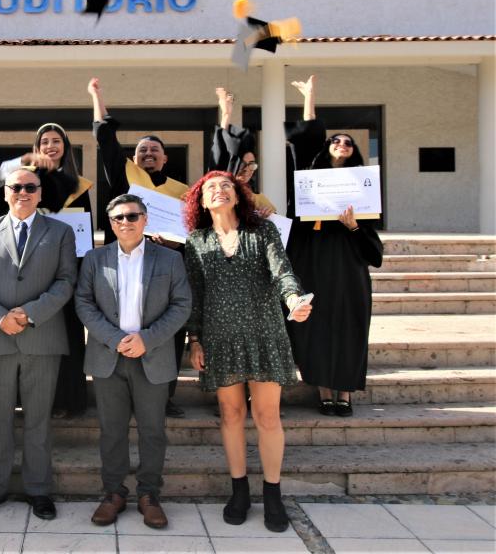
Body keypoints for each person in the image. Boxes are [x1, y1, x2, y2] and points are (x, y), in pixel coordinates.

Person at [183, 171, 312, 533]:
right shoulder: (196, 242)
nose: (219, 191)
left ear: (238, 196)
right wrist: (194, 340)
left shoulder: (263, 232)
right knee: (231, 413)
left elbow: (282, 272)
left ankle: (273, 493)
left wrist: (293, 300)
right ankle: (239, 490)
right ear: (202, 202)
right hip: (219, 339)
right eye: (211, 188)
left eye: (226, 186)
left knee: (268, 417)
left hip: (264, 335)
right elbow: (196, 295)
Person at [0, 167, 77, 521]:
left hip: (41, 338)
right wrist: (0, 317)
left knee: (38, 421)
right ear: (5, 193)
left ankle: (38, 490)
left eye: (31, 187)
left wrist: (28, 314)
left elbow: (65, 281)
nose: (23, 193)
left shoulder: (61, 232)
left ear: (41, 193)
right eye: (16, 187)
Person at [74, 194, 192, 529]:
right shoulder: (95, 259)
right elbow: (83, 302)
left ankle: (149, 495)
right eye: (118, 218)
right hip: (108, 357)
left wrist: (147, 338)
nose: (125, 222)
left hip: (151, 356)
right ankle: (113, 493)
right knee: (112, 431)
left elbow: (181, 305)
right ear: (110, 224)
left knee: (153, 431)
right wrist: (114, 339)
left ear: (145, 219)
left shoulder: (169, 260)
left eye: (132, 216)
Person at [88, 77, 190, 419]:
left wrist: (176, 243)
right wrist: (97, 98)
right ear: (135, 158)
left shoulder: (181, 192)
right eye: (142, 150)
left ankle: (166, 394)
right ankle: (125, 392)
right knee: (126, 323)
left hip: (167, 265)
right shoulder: (127, 180)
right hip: (125, 264)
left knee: (167, 331)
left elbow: (194, 232)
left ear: (164, 159)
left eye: (154, 151)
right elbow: (106, 143)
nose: (148, 154)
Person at [284, 75, 383, 417]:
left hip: (348, 269)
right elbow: (306, 145)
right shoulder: (310, 182)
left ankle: (346, 394)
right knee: (315, 325)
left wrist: (354, 227)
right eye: (335, 140)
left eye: (348, 142)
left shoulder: (363, 195)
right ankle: (325, 390)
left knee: (349, 329)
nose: (341, 143)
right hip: (312, 262)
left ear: (355, 153)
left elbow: (374, 251)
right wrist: (310, 99)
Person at [0, 122, 92, 418]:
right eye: (44, 141)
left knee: (63, 332)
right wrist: (24, 163)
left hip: (62, 269)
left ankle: (65, 398)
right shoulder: (25, 182)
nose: (50, 146)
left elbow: (84, 229)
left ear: (65, 147)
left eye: (56, 141)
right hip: (26, 268)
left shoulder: (78, 185)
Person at [210, 87, 276, 216]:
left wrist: (265, 216)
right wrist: (226, 115)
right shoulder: (215, 194)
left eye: (252, 164)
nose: (247, 170)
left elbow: (278, 225)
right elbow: (220, 150)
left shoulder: (258, 199)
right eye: (243, 164)